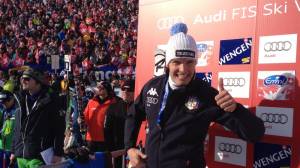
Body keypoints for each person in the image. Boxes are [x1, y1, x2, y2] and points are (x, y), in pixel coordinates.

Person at [124, 23, 265, 168]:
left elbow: (255, 133)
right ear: (168, 64)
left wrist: (236, 109)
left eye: (189, 62)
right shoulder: (153, 86)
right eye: (177, 62)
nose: (183, 69)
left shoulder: (207, 95)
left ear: (195, 62)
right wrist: (129, 148)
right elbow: (133, 115)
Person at [10, 68, 65, 168]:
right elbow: (17, 128)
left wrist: (58, 153)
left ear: (38, 82)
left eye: (27, 79)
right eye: (22, 78)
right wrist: (14, 150)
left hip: (39, 155)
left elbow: (59, 129)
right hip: (20, 156)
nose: (23, 81)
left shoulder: (50, 100)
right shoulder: (19, 99)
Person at [104, 79, 135, 168]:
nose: (126, 92)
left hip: (134, 150)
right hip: (117, 150)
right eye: (123, 89)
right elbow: (107, 130)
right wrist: (109, 149)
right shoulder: (113, 107)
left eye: (129, 90)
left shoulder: (139, 108)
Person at [81, 81, 115, 153]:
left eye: (101, 87)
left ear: (107, 89)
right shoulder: (91, 102)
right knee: (91, 161)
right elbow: (85, 117)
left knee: (103, 161)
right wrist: (81, 120)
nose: (98, 89)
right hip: (91, 138)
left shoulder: (113, 102)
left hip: (105, 139)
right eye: (98, 87)